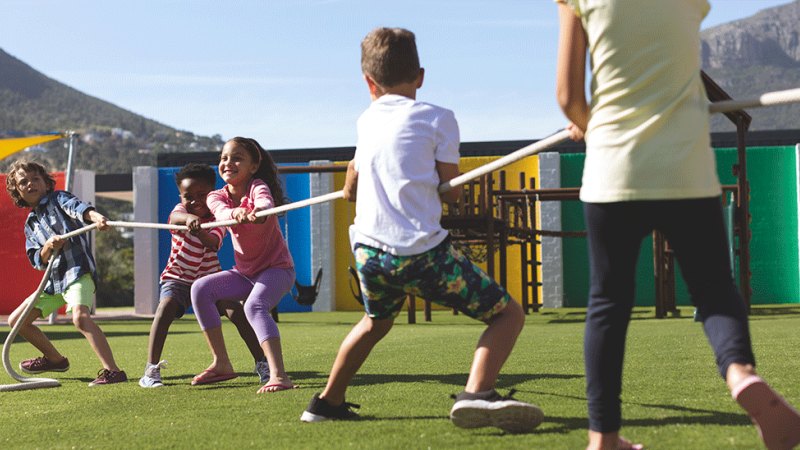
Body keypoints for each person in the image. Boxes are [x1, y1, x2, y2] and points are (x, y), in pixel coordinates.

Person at [554, 1, 800, 449]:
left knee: (608, 302)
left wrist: (589, 127)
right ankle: (740, 372)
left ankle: (603, 438)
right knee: (712, 287)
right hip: (684, 168)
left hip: (614, 170)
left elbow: (569, 97)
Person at [299, 27, 543, 433]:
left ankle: (325, 403)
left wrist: (359, 186)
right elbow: (452, 193)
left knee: (375, 322)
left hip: (370, 254)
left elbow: (351, 189)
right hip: (421, 254)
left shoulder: (365, 120)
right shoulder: (437, 117)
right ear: (420, 75)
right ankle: (477, 394)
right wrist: (447, 188)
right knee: (508, 315)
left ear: (368, 82)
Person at [139, 163, 270, 388]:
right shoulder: (179, 212)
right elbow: (177, 217)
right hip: (178, 277)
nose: (195, 201)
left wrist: (199, 230)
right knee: (164, 309)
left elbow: (212, 244)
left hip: (209, 281)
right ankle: (151, 370)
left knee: (236, 311)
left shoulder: (220, 216)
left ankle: (263, 364)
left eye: (202, 195)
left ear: (212, 194)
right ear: (181, 196)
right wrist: (189, 220)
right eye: (189, 196)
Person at [189, 137, 297, 393]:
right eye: (224, 158)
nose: (228, 163)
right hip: (246, 274)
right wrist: (236, 213)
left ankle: (279, 375)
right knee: (200, 289)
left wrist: (257, 212)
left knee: (254, 306)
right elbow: (221, 213)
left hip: (277, 269)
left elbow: (265, 204)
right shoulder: (217, 195)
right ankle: (222, 363)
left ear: (253, 166)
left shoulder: (258, 187)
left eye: (237, 158)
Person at [5, 159, 127, 386]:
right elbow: (37, 260)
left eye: (35, 179)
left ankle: (113, 371)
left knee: (80, 318)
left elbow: (78, 208)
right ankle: (55, 359)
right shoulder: (30, 224)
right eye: (23, 182)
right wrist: (49, 247)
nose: (30, 184)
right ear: (18, 192)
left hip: (78, 272)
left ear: (45, 182)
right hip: (53, 282)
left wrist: (97, 217)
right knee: (16, 321)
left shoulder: (58, 198)